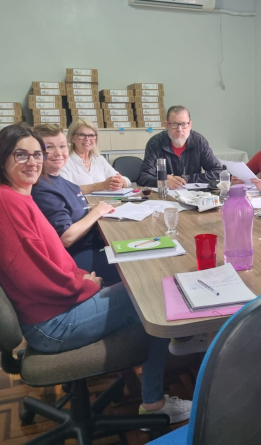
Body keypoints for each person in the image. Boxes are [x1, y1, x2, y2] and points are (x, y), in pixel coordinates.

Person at [0, 123, 191, 423]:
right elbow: (35, 277)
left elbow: (53, 257)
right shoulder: (8, 204)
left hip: (55, 307)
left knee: (146, 287)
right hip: (52, 324)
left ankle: (172, 347)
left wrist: (80, 278)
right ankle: (154, 405)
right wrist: (84, 286)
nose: (33, 161)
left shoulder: (20, 196)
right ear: (3, 159)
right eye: (21, 155)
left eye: (37, 154)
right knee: (154, 293)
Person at [31, 124, 121, 284]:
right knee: (138, 268)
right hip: (79, 255)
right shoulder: (42, 188)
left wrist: (96, 210)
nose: (59, 153)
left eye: (62, 146)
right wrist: (96, 212)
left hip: (97, 244)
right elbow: (66, 237)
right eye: (49, 147)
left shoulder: (63, 182)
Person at [137, 105, 221, 189]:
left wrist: (186, 179)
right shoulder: (155, 143)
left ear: (190, 125)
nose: (179, 129)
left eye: (184, 124)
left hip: (192, 194)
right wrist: (163, 182)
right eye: (174, 124)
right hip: (164, 193)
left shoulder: (199, 141)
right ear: (167, 125)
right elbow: (143, 177)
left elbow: (218, 172)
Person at [60, 118, 131, 194]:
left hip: (104, 200)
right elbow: (66, 190)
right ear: (72, 138)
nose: (87, 139)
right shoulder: (64, 161)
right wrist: (101, 186)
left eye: (91, 135)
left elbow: (127, 181)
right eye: (82, 135)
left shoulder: (98, 159)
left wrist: (121, 182)